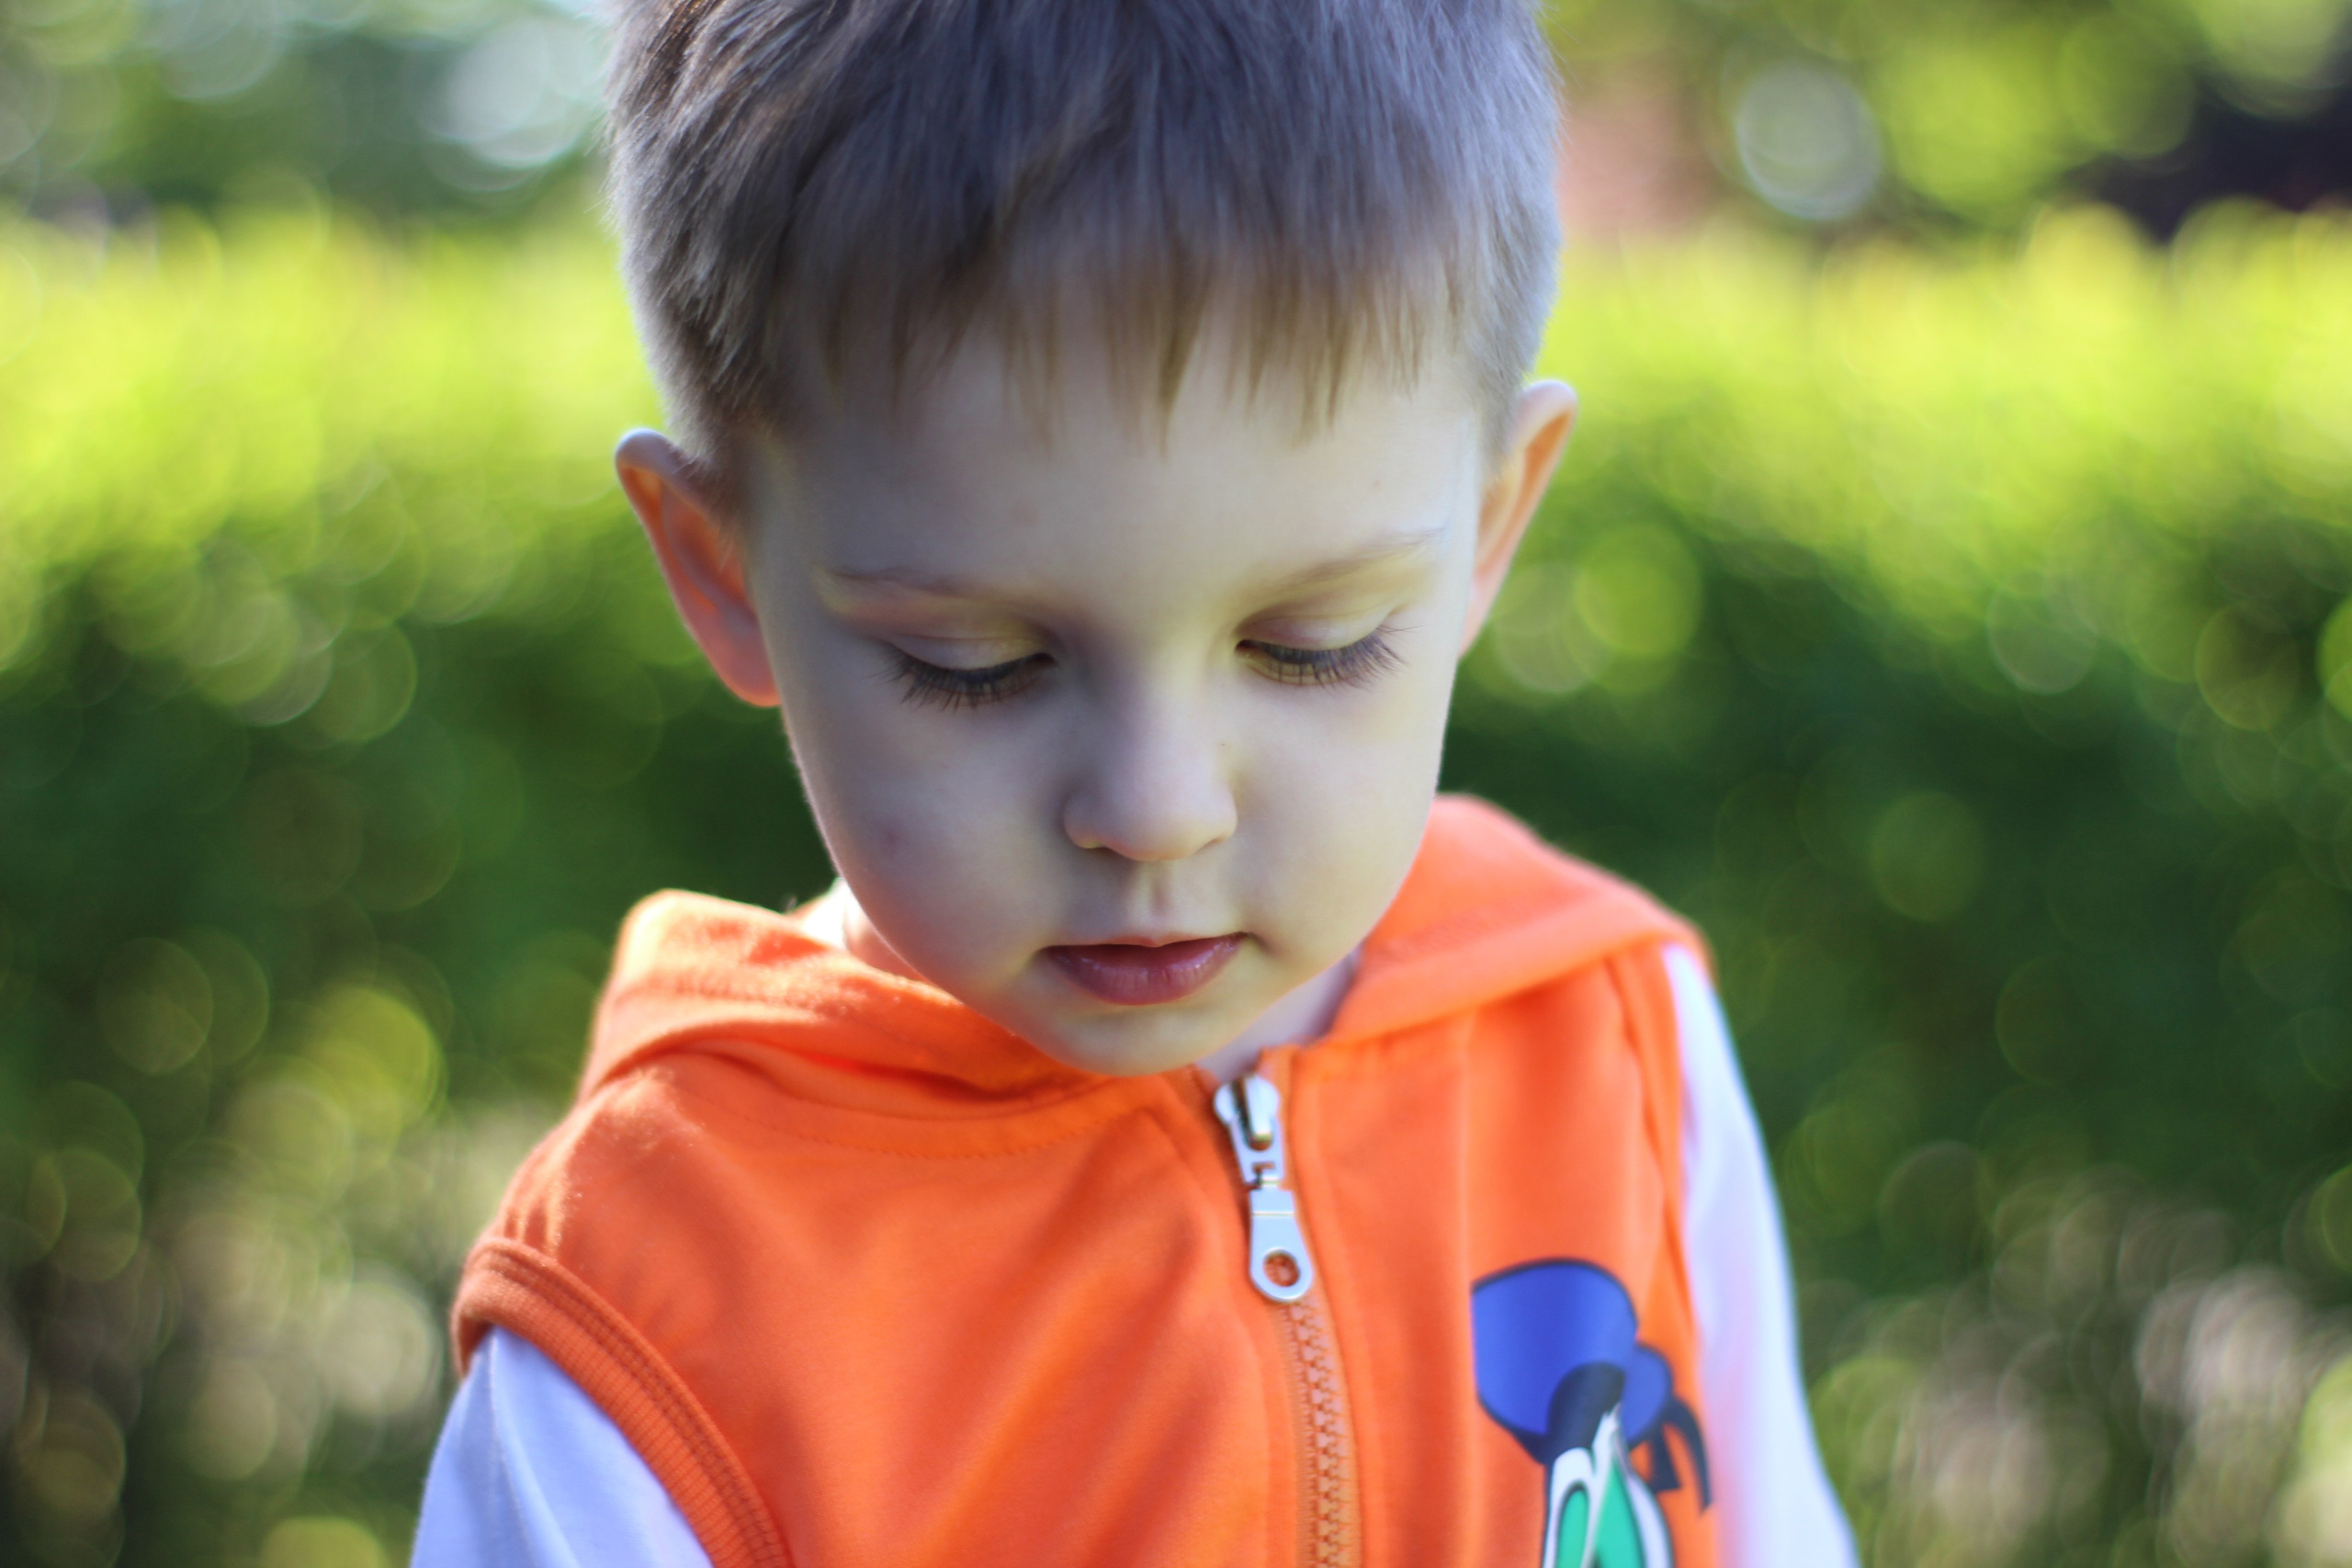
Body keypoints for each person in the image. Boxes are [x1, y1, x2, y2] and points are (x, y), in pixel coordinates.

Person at [413, 0, 1858, 1562]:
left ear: (1492, 525)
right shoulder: (652, 1320)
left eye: (1310, 644)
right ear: (723, 570)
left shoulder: (1616, 1036)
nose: (1160, 811)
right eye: (978, 663)